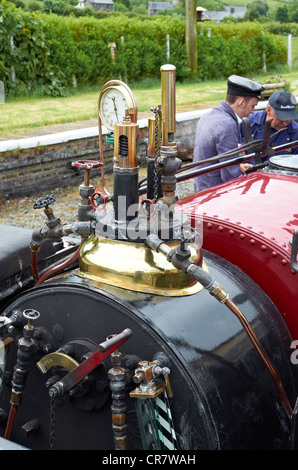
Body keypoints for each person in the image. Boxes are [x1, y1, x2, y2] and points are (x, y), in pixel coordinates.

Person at [193, 75, 264, 193]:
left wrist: (239, 167)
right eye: (253, 106)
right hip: (214, 194)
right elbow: (230, 175)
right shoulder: (227, 125)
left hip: (201, 187)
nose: (252, 111)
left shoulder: (210, 115)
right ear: (241, 102)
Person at [240, 90, 298, 167]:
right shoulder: (249, 123)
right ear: (268, 110)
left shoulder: (296, 132)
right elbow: (231, 149)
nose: (285, 123)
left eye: (288, 118)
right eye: (282, 118)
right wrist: (240, 165)